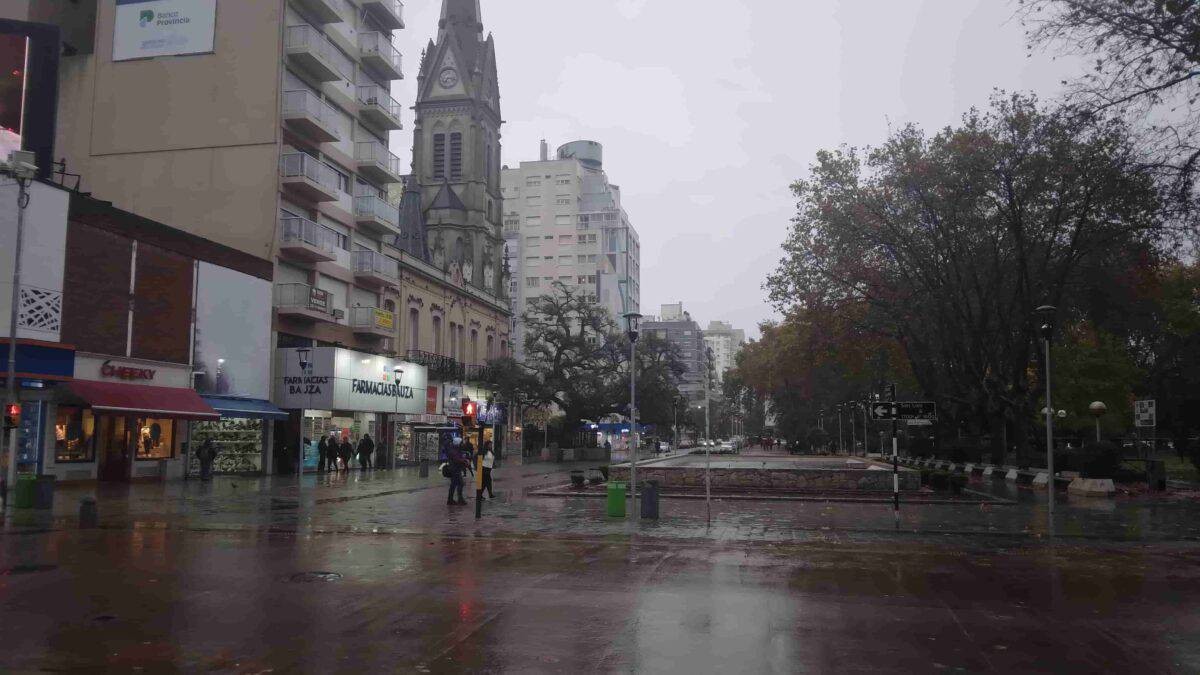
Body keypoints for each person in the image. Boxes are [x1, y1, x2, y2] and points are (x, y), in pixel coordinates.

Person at [446, 440, 471, 505]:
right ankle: (459, 499)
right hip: (455, 470)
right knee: (459, 484)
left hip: (456, 469)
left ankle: (451, 499)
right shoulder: (454, 451)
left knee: (454, 485)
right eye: (461, 443)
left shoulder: (456, 450)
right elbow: (457, 459)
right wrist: (464, 460)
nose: (462, 444)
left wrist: (464, 459)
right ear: (458, 443)